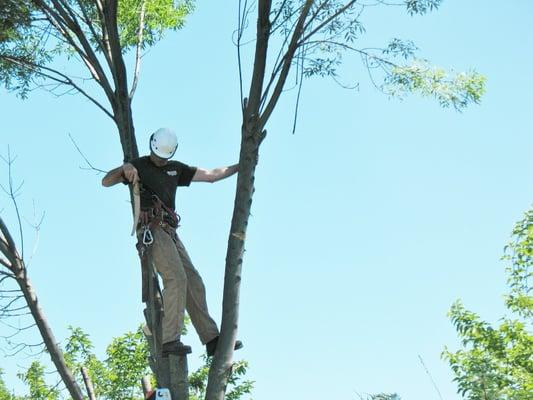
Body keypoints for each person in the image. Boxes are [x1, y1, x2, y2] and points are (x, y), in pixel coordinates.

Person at [102, 127, 242, 357]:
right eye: (156, 155)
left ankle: (211, 339)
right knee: (176, 278)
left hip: (170, 232)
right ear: (151, 147)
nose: (159, 160)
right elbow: (106, 181)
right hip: (152, 230)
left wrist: (241, 165)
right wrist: (124, 168)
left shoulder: (176, 169)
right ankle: (170, 340)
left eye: (163, 157)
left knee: (194, 281)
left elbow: (212, 175)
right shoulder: (139, 165)